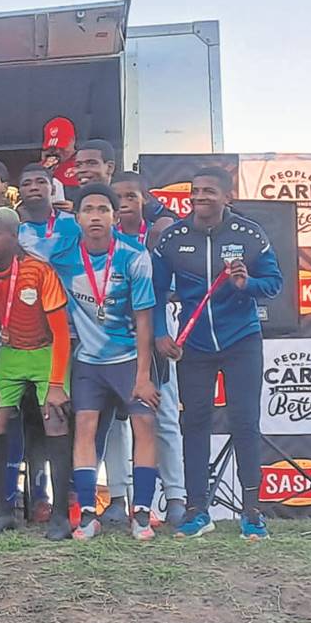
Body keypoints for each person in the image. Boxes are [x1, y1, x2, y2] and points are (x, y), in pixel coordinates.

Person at [153, 167, 283, 540]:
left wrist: (247, 283)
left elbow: (274, 283)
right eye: (195, 191)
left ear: (227, 197)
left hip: (242, 341)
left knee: (245, 422)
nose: (199, 197)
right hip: (194, 346)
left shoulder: (249, 234)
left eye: (209, 191)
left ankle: (252, 512)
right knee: (194, 423)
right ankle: (197, 510)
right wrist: (161, 333)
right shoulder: (173, 237)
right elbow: (156, 291)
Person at [48, 183, 160, 541]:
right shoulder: (62, 256)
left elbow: (145, 319)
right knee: (84, 427)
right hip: (88, 361)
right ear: (77, 217)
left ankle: (141, 512)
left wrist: (143, 376)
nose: (95, 216)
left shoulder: (134, 255)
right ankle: (87, 513)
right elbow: (19, 251)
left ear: (115, 216)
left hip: (129, 359)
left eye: (103, 210)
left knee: (145, 425)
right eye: (88, 210)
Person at [0, 207, 74, 539]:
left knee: (55, 418)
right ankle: (2, 511)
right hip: (10, 353)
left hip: (46, 351)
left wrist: (56, 384)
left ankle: (59, 515)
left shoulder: (39, 271)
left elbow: (61, 333)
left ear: (14, 236)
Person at [99, 171, 187, 529]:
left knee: (162, 415)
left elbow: (167, 290)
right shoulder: (106, 242)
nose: (123, 204)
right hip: (115, 337)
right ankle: (117, 498)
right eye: (117, 198)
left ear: (144, 200)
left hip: (155, 333)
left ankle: (176, 498)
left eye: (130, 197)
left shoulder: (160, 238)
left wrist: (161, 333)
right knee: (116, 420)